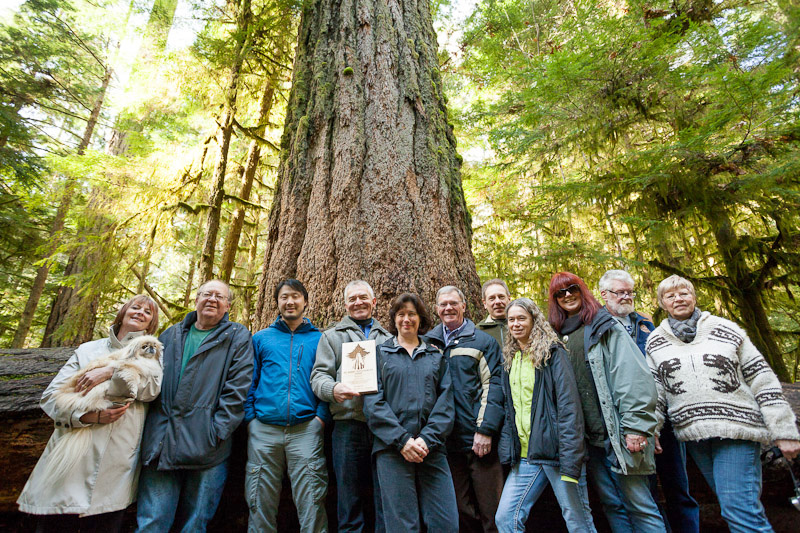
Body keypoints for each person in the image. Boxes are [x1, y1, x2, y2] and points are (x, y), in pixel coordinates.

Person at [646, 274, 800, 532]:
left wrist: (783, 430)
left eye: (683, 293)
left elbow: (762, 378)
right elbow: (656, 392)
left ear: (694, 296)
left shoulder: (725, 329)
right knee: (738, 507)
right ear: (662, 303)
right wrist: (652, 431)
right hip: (695, 438)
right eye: (670, 296)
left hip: (736, 431)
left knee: (739, 511)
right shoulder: (655, 341)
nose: (678, 299)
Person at [18, 295, 161, 533]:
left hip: (115, 458)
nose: (140, 313)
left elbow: (150, 390)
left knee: (104, 522)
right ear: (123, 312)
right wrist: (87, 417)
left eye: (147, 312)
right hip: (70, 454)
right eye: (135, 307)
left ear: (151, 323)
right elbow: (51, 397)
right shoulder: (87, 350)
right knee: (57, 523)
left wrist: (110, 371)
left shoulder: (151, 352)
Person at [548, 272, 665, 533]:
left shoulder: (604, 325)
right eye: (560, 292)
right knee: (612, 504)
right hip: (590, 440)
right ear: (554, 299)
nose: (567, 295)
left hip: (620, 434)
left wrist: (635, 427)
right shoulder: (557, 336)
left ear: (583, 290)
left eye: (572, 289)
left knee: (640, 505)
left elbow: (632, 378)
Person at [136, 280, 254, 533]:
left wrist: (218, 430)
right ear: (197, 299)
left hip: (209, 446)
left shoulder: (236, 336)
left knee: (196, 524)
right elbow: (146, 378)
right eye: (207, 294)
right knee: (152, 521)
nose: (212, 299)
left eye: (219, 297)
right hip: (162, 442)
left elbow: (238, 388)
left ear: (227, 306)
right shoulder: (171, 334)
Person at [599, 270, 699, 533]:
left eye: (629, 292)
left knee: (678, 487)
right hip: (628, 423)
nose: (625, 297)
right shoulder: (597, 328)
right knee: (646, 493)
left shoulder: (646, 325)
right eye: (619, 292)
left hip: (663, 419)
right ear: (604, 295)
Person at [495, 298, 596, 533]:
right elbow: (512, 410)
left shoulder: (552, 352)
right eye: (511, 320)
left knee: (577, 520)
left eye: (522, 318)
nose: (516, 324)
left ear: (534, 320)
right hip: (526, 454)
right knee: (506, 518)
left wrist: (571, 456)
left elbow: (569, 406)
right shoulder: (511, 358)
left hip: (557, 452)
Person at [363, 293, 458, 533]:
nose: (407, 319)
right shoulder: (378, 354)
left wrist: (426, 439)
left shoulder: (436, 355)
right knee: (402, 525)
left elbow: (446, 404)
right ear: (394, 319)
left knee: (446, 523)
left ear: (421, 318)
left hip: (432, 449)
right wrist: (402, 440)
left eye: (412, 314)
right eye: (401, 314)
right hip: (392, 449)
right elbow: (373, 404)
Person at [244, 279, 330, 533]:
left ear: (305, 301)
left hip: (306, 429)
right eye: (284, 297)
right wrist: (251, 420)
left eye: (295, 296)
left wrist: (321, 419)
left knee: (313, 499)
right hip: (264, 430)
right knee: (259, 497)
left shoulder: (320, 339)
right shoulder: (260, 339)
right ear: (277, 302)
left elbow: (328, 378)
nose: (289, 301)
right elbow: (249, 380)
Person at [311, 280, 391, 533]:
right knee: (349, 496)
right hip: (347, 425)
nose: (358, 303)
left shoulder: (389, 339)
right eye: (353, 299)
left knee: (385, 494)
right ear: (345, 304)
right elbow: (318, 376)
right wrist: (333, 390)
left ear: (374, 302)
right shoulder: (332, 337)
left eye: (363, 297)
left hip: (383, 428)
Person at [425, 286, 505, 533]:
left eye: (453, 303)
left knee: (493, 511)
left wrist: (486, 430)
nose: (448, 308)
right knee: (460, 510)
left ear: (463, 305)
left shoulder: (483, 341)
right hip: (445, 442)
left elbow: (495, 386)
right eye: (443, 304)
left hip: (479, 440)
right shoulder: (428, 343)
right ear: (437, 309)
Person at [477, 278, 511, 347]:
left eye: (501, 297)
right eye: (492, 298)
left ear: (509, 299)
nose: (497, 302)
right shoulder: (477, 332)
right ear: (485, 303)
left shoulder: (521, 326)